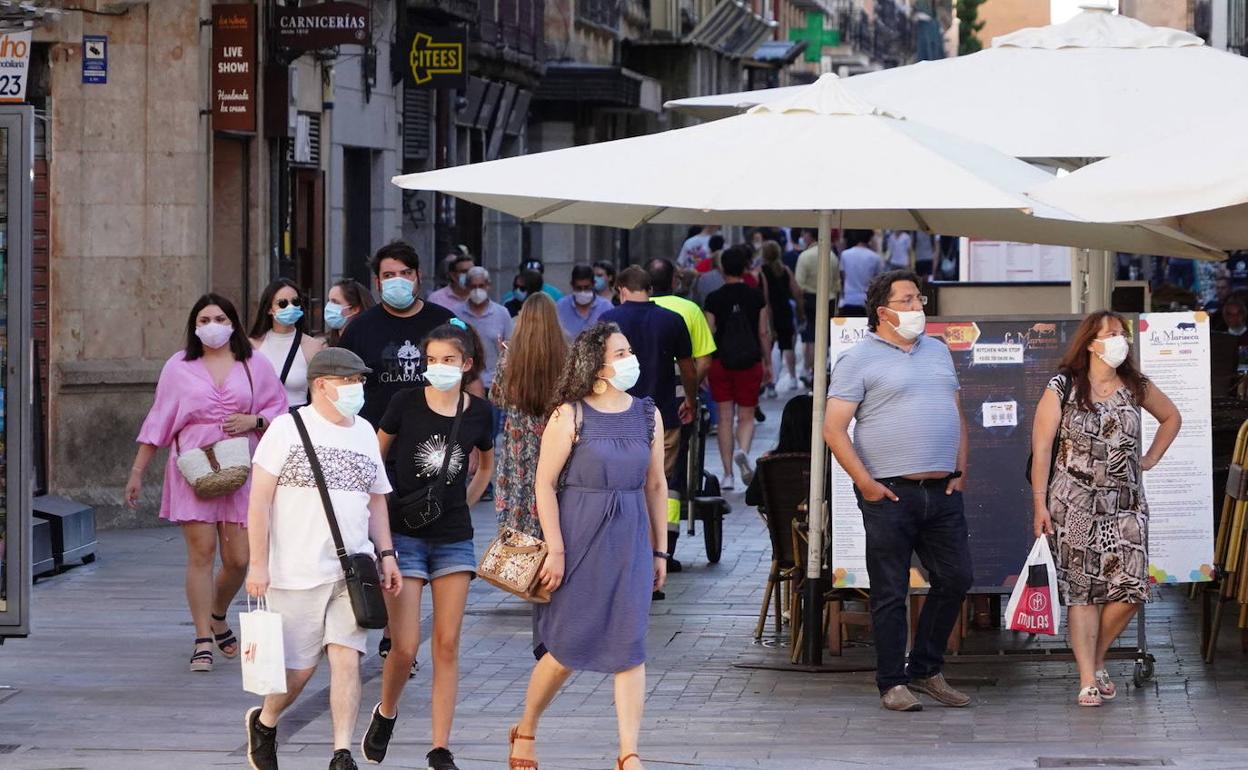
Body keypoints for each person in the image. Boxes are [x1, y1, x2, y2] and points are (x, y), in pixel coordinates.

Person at [505, 322, 668, 770]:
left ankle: (628, 752)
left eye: (628, 351)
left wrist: (660, 550)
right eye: (620, 353)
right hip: (578, 536)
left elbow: (656, 484)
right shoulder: (569, 414)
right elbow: (544, 484)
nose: (629, 359)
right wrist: (555, 549)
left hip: (630, 538)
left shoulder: (648, 414)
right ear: (595, 363)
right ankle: (527, 727)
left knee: (630, 646)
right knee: (564, 649)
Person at [242, 348, 402, 770]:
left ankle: (341, 752)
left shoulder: (365, 431)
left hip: (352, 570)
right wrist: (257, 564)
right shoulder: (286, 429)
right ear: (321, 384)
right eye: (349, 381)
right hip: (294, 571)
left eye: (360, 381)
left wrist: (386, 553)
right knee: (298, 672)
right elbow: (258, 502)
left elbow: (377, 500)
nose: (358, 388)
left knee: (347, 658)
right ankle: (266, 719)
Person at [823, 269, 972, 712]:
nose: (917, 308)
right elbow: (834, 429)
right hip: (889, 492)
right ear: (883, 310)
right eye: (907, 301)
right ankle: (892, 682)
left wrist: (961, 467)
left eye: (919, 299)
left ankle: (925, 669)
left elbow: (956, 411)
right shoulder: (858, 359)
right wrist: (866, 484)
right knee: (890, 590)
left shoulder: (939, 352)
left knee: (956, 577)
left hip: (942, 489)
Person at [125, 294, 288, 673]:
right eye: (204, 319)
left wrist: (254, 421)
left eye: (219, 317)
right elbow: (160, 418)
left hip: (242, 465)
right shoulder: (178, 366)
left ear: (233, 322)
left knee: (239, 559)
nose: (211, 325)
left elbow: (278, 409)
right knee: (201, 553)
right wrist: (137, 471)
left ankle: (217, 614)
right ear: (194, 326)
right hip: (193, 466)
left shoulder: (254, 362)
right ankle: (202, 638)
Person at [362, 322, 495, 770]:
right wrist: (378, 522)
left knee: (448, 643)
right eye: (432, 360)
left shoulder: (479, 411)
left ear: (467, 364)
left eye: (449, 360)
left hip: (454, 538)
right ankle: (387, 711)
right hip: (404, 536)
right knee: (405, 646)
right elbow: (375, 462)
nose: (438, 367)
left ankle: (440, 747)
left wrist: (462, 505)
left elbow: (484, 466)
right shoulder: (404, 403)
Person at [1030, 311, 1181, 707]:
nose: (1119, 341)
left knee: (1131, 587)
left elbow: (1171, 417)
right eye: (1110, 334)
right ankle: (1087, 680)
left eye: (1122, 334)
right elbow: (1042, 449)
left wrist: (1148, 459)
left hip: (1125, 504)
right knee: (1083, 593)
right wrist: (1039, 505)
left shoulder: (1134, 384)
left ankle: (1096, 659)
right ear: (1090, 342)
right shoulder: (1063, 386)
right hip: (1073, 505)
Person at [603, 267, 697, 582]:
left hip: (614, 416)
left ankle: (626, 553)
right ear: (651, 289)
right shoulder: (672, 320)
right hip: (664, 417)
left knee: (623, 484)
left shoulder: (609, 321)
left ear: (621, 288)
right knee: (659, 484)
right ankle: (659, 551)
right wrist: (691, 401)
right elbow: (688, 367)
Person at [338, 241, 457, 427]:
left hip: (437, 438)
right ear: (378, 282)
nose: (398, 281)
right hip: (377, 441)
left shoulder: (444, 321)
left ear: (419, 276)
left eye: (406, 273)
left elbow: (470, 379)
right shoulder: (358, 329)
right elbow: (339, 385)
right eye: (389, 275)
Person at [647, 257, 716, 568]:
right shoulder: (688, 310)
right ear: (674, 280)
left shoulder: (634, 310)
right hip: (675, 406)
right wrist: (690, 394)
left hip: (632, 407)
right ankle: (667, 546)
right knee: (669, 474)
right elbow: (702, 362)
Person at [492, 293, 568, 538]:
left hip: (518, 447)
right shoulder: (565, 354)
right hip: (557, 441)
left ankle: (521, 567)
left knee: (518, 507)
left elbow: (497, 398)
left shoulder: (510, 356)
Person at [704, 246, 771, 491]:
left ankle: (728, 475)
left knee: (724, 418)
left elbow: (709, 334)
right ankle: (742, 451)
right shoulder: (756, 297)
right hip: (750, 361)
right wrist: (768, 362)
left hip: (720, 363)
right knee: (746, 415)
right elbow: (763, 332)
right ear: (745, 268)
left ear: (722, 269)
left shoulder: (713, 298)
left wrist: (705, 366)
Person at [250, 278, 325, 408]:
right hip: (262, 422)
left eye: (295, 302)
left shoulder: (313, 346)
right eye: (282, 303)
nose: (291, 307)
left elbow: (321, 396)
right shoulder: (253, 345)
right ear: (269, 309)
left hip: (297, 421)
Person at [794, 228, 839, 389]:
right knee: (824, 337)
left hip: (810, 299)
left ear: (809, 235)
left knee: (811, 336)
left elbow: (799, 285)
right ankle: (821, 368)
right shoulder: (832, 256)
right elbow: (837, 284)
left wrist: (799, 306)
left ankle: (812, 370)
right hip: (830, 299)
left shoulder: (805, 256)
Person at [457, 266, 514, 391]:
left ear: (488, 286)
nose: (477, 290)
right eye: (473, 286)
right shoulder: (457, 313)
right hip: (464, 383)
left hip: (494, 385)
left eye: (481, 286)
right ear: (466, 287)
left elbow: (511, 348)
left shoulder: (501, 313)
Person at [760, 240, 805, 394]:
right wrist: (800, 312)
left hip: (768, 312)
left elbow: (764, 297)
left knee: (769, 348)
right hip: (785, 311)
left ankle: (770, 384)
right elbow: (797, 291)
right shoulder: (785, 270)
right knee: (787, 346)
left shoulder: (761, 271)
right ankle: (793, 378)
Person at [555, 264, 613, 340]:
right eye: (578, 288)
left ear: (593, 284)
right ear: (572, 285)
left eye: (586, 287)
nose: (583, 291)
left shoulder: (606, 307)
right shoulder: (560, 307)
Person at [839, 229, 884, 317]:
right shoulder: (875, 257)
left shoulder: (845, 254)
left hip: (849, 299)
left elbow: (843, 277)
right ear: (870, 238)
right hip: (867, 301)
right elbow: (879, 280)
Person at [323, 278, 376, 347]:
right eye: (329, 301)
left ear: (354, 309)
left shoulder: (370, 344)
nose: (328, 307)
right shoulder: (323, 344)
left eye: (335, 302)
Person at [429, 248, 475, 313]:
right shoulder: (436, 299)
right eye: (464, 271)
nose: (469, 274)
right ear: (453, 276)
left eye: (472, 271)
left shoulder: (478, 297)